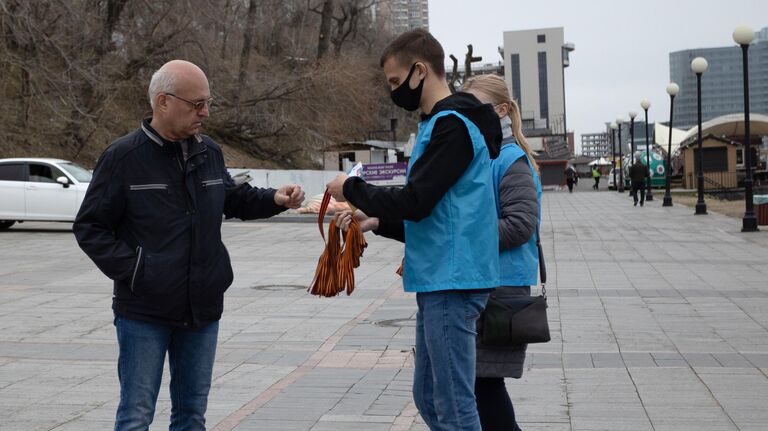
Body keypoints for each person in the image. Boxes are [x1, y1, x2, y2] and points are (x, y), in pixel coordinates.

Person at [73, 60, 304, 430]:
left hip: (202, 309)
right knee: (136, 416)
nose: (206, 112)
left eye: (208, 102)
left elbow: (230, 197)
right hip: (144, 312)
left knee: (192, 416)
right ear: (162, 102)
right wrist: (137, 270)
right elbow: (90, 228)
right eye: (196, 104)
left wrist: (275, 198)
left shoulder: (208, 151)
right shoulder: (122, 158)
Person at [326, 28, 501, 431]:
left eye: (395, 81)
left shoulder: (452, 126)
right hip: (441, 277)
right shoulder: (441, 125)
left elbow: (417, 202)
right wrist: (377, 221)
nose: (393, 91)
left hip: (451, 283)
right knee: (429, 397)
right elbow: (439, 214)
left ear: (420, 71)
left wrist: (351, 187)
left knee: (454, 406)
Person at [463, 74, 541, 431]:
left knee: (484, 383)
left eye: (477, 107)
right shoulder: (488, 155)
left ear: (503, 110)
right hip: (488, 284)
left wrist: (460, 235)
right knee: (481, 384)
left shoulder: (511, 159)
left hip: (502, 290)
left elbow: (520, 225)